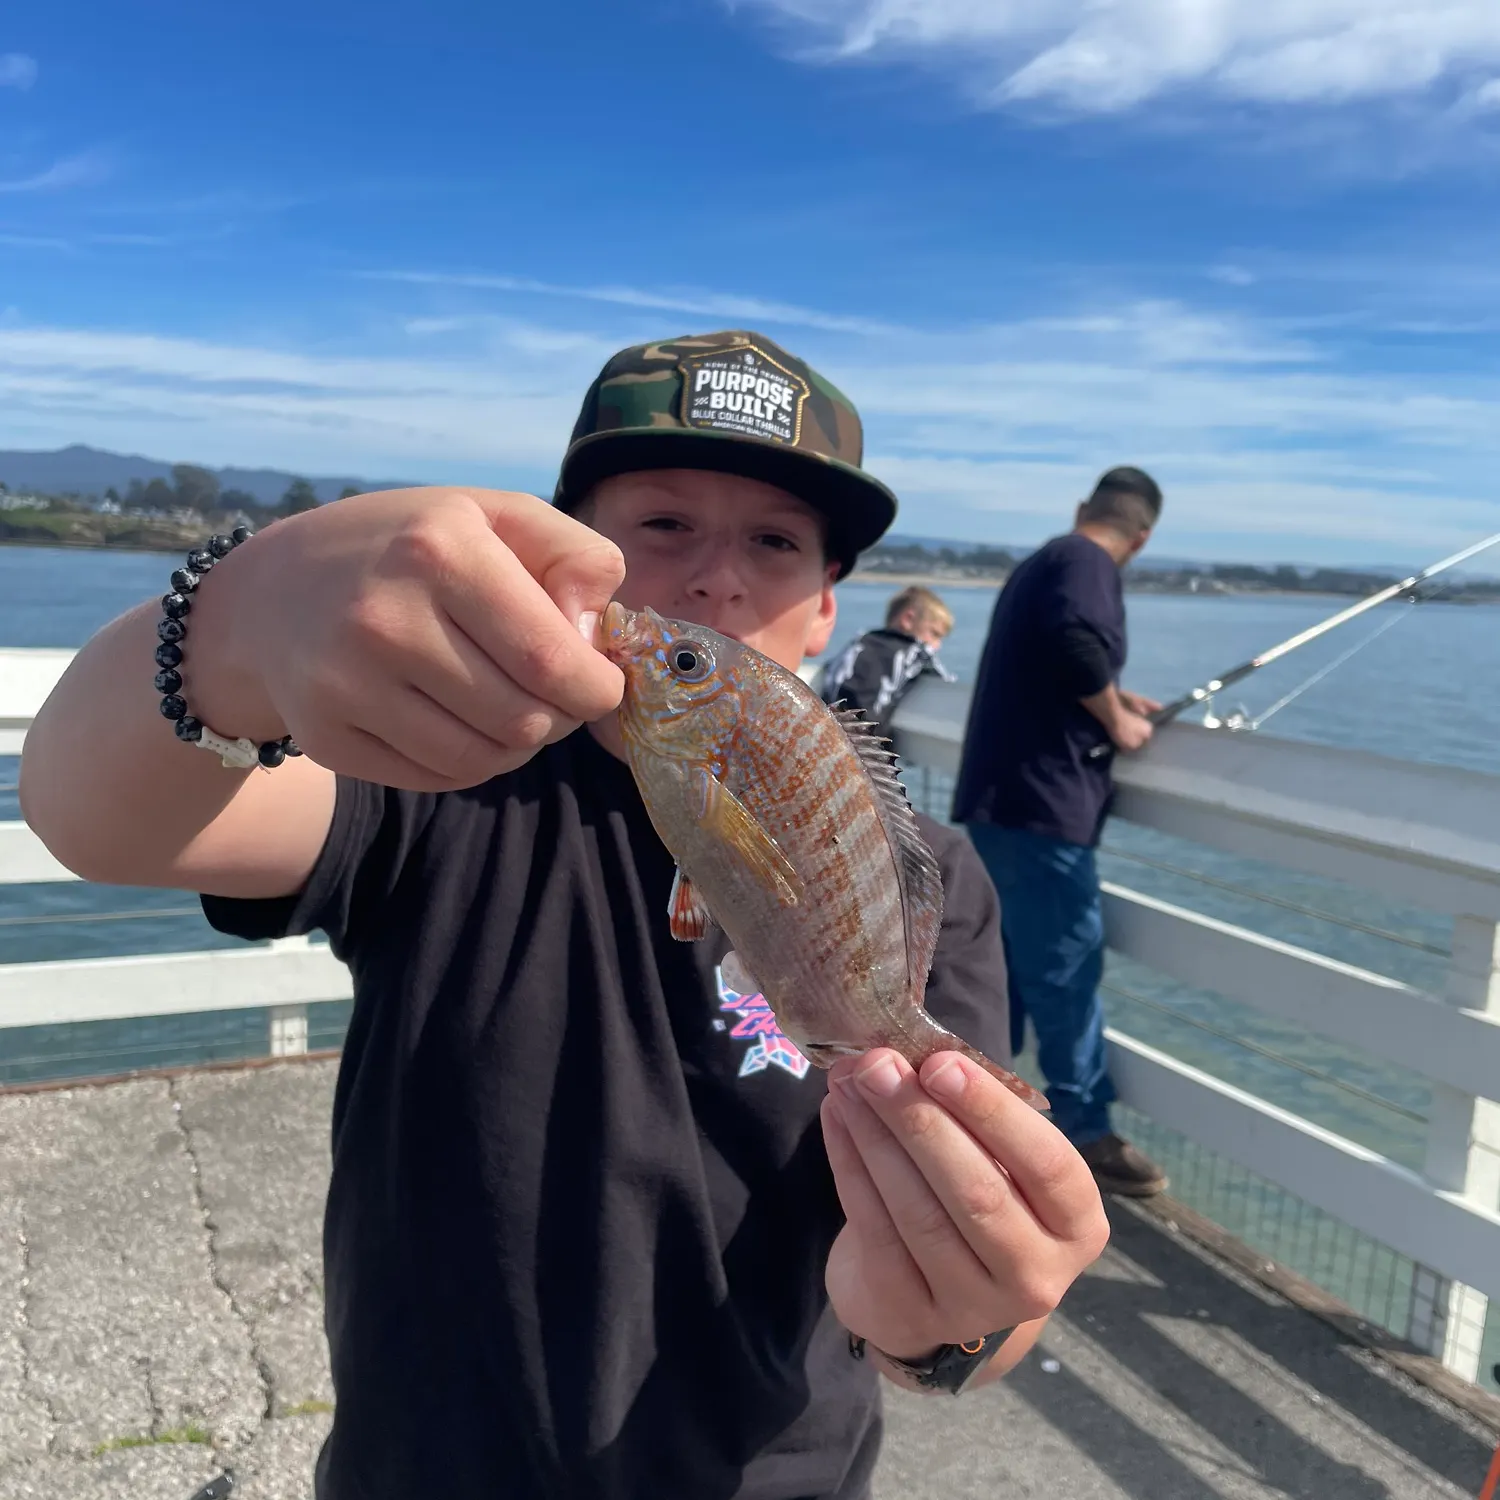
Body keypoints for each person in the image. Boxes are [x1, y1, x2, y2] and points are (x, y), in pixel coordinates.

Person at [19, 330, 1109, 1500]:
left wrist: (946, 1324)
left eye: (775, 542)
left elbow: (977, 1335)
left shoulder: (935, 878)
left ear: (825, 612)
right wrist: (238, 622)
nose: (717, 579)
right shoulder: (442, 788)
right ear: (567, 575)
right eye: (664, 524)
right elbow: (98, 818)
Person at [951, 467, 1168, 1199]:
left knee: (1006, 968)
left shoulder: (1046, 561)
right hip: (1043, 807)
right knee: (1067, 968)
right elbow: (1075, 640)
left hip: (1003, 799)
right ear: (1142, 538)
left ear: (1083, 507)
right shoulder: (1087, 562)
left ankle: (989, 1114)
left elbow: (1056, 654)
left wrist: (1111, 696)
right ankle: (1083, 1128)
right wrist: (1118, 721)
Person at [818, 584, 955, 735]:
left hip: (827, 730)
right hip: (863, 738)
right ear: (908, 619)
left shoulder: (860, 641)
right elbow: (947, 683)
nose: (937, 645)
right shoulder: (914, 651)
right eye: (935, 634)